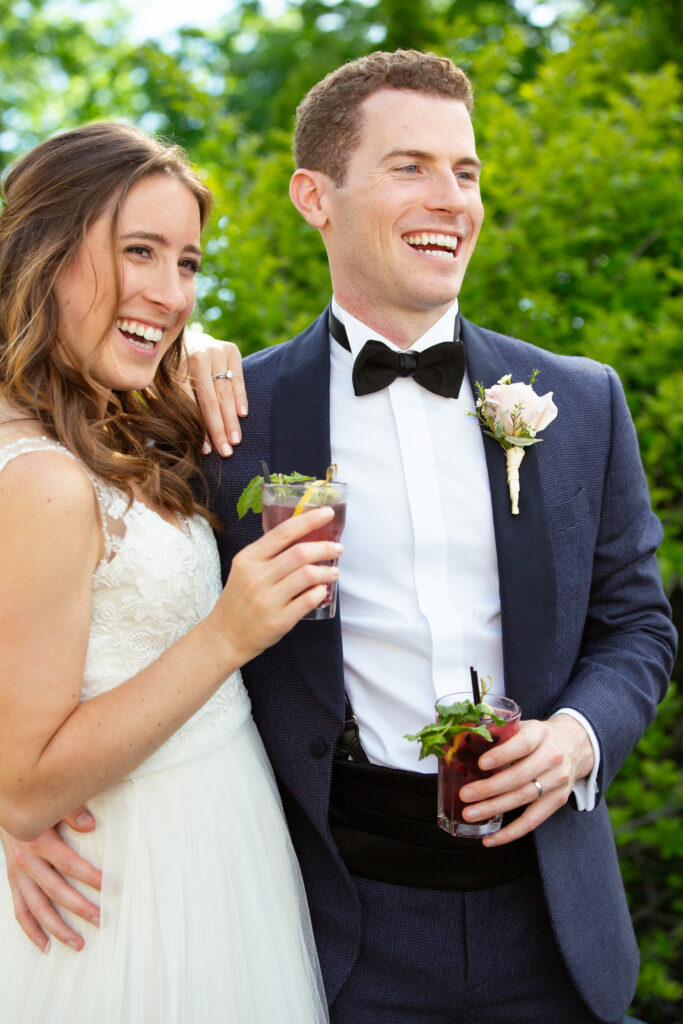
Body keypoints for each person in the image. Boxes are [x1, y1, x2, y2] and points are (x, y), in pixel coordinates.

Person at [4, 51, 677, 1024]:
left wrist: (577, 739)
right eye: (408, 166)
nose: (448, 198)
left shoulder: (579, 401)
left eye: (465, 171)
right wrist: (16, 807)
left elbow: (637, 627)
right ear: (313, 196)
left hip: (550, 921)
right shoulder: (222, 420)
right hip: (329, 931)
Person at [0, 122, 333, 1022]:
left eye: (186, 263)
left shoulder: (93, 420)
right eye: (136, 250)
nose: (170, 291)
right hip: (133, 890)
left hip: (220, 844)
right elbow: (26, 781)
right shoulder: (41, 479)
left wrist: (191, 348)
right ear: (45, 252)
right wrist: (229, 633)